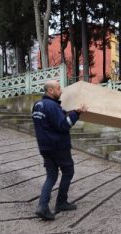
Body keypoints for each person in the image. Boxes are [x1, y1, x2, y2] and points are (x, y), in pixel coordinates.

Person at [32, 80, 87, 220]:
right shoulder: (52, 106)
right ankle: (61, 203)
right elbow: (63, 125)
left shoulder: (37, 105)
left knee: (51, 175)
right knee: (68, 171)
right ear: (50, 90)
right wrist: (76, 113)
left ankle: (42, 206)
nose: (61, 91)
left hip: (44, 147)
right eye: (58, 88)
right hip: (58, 146)